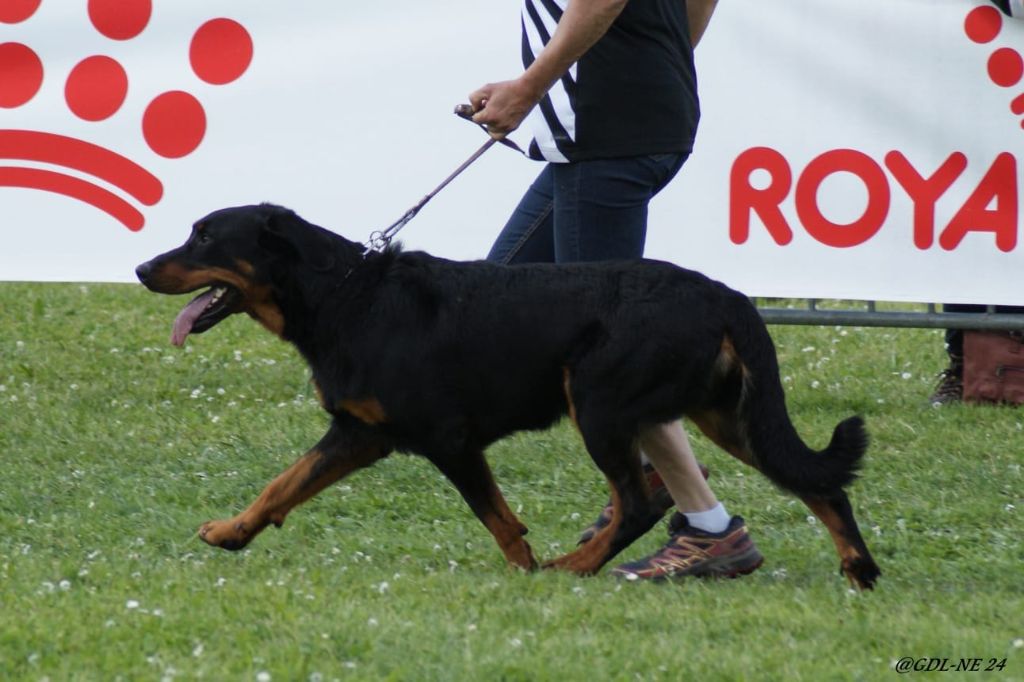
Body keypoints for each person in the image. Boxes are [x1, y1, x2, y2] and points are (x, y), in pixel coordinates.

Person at [468, 0, 763, 580]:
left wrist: (530, 87)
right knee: (490, 304)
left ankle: (710, 527)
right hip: (622, 125)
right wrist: (656, 54)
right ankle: (648, 473)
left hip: (605, 135)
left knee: (613, 356)